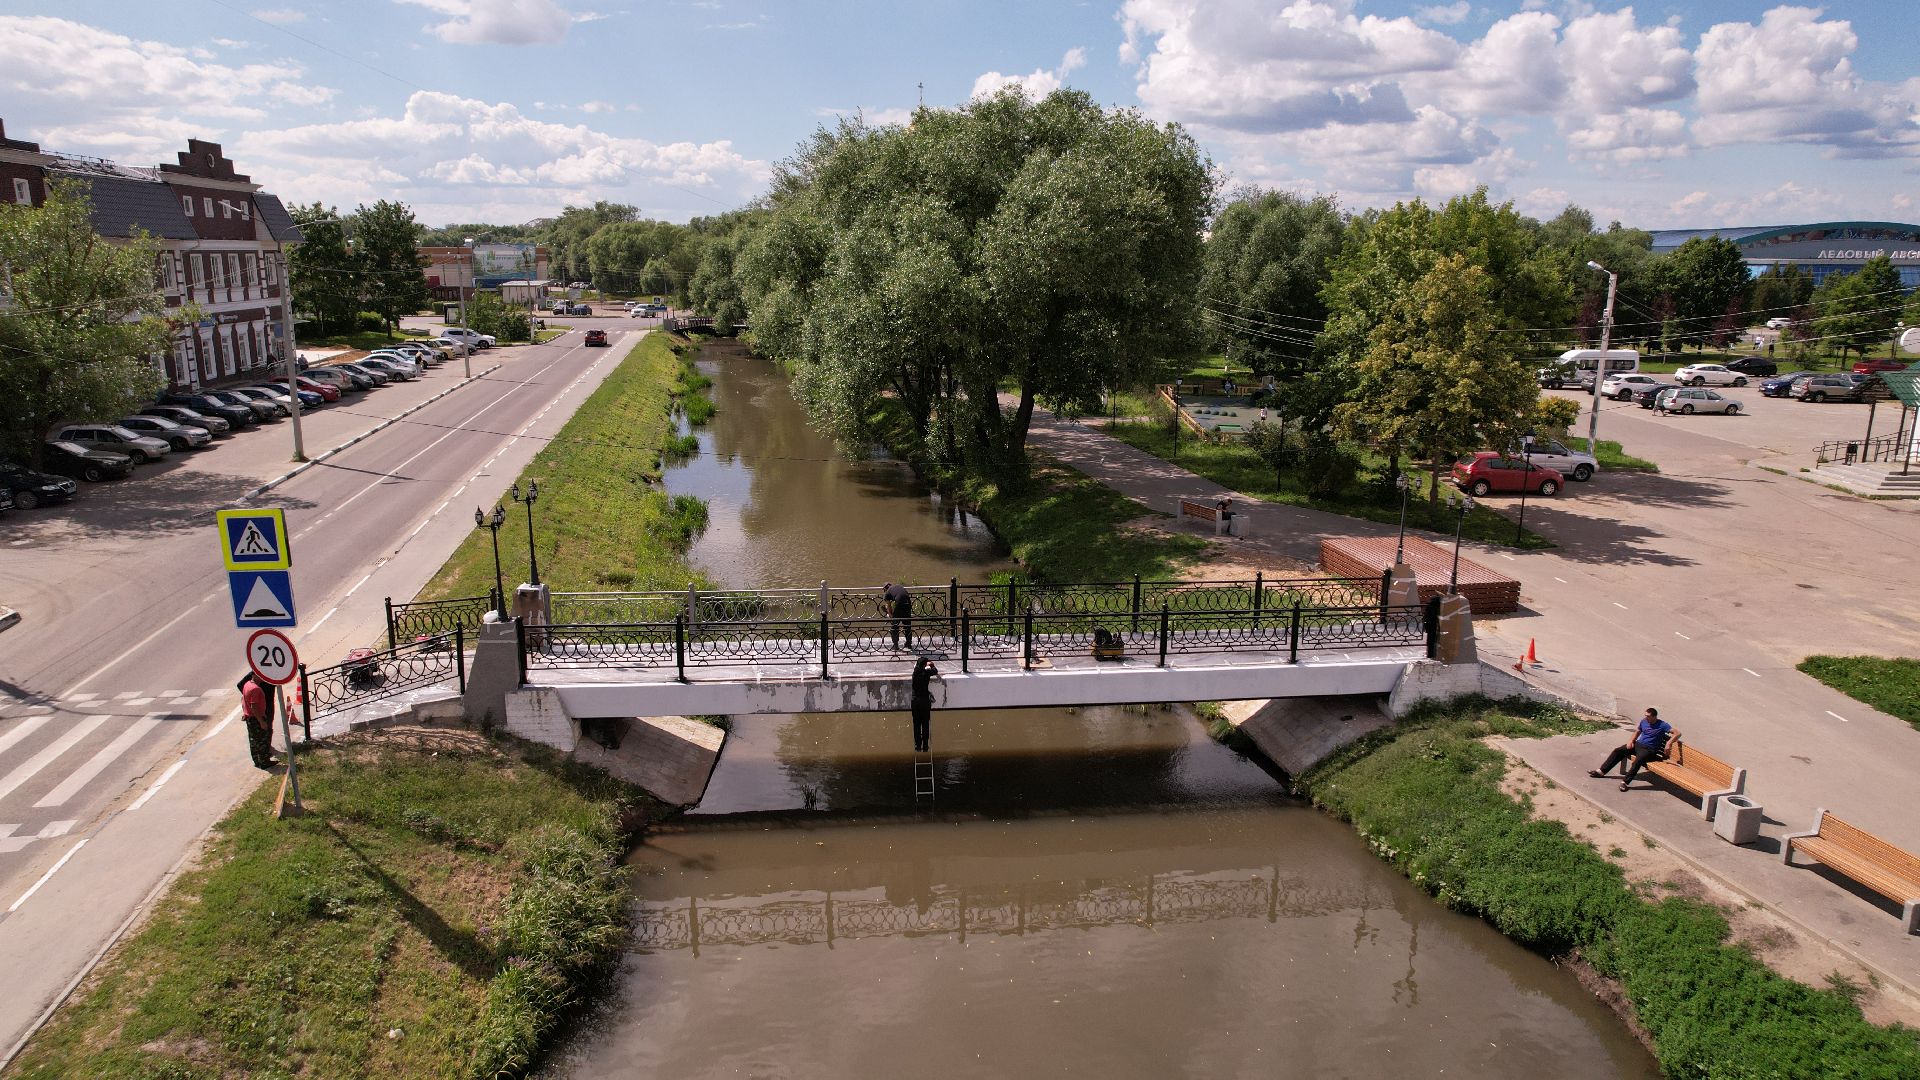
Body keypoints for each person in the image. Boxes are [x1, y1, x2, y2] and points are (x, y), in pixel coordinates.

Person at [1591, 707, 1674, 791]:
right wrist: (1631, 741)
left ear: (1654, 717)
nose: (1646, 718)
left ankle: (1625, 782)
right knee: (1618, 751)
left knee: (1638, 761)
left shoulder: (1662, 725)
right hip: (1638, 744)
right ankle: (1601, 771)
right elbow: (1637, 731)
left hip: (1649, 750)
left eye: (1648, 716)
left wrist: (1669, 743)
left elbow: (1678, 733)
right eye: (1645, 715)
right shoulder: (1644, 721)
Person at [237, 672, 276, 770]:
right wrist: (261, 721)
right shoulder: (255, 689)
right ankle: (264, 761)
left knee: (253, 739)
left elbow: (244, 699)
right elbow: (253, 705)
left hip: (251, 715)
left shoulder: (248, 685)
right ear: (254, 675)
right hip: (258, 715)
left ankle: (257, 760)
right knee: (262, 738)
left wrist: (246, 711)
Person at [910, 657, 940, 753]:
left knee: (916, 724)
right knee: (925, 723)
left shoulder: (915, 673)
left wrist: (924, 665)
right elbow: (935, 671)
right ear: (924, 665)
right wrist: (931, 665)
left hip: (915, 701)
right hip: (924, 701)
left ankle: (918, 746)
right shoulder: (926, 673)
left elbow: (916, 667)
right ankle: (925, 746)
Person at [883, 581, 913, 650]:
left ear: (885, 589)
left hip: (899, 604)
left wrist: (891, 616)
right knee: (907, 625)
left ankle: (895, 645)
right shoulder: (899, 586)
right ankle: (909, 644)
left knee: (894, 626)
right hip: (908, 604)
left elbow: (888, 606)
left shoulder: (888, 592)